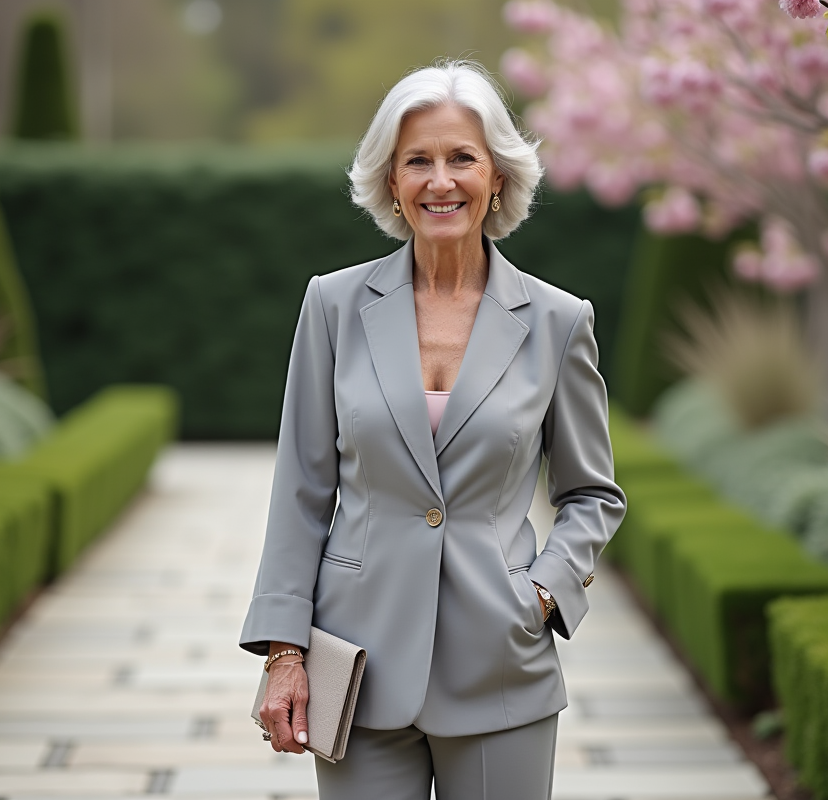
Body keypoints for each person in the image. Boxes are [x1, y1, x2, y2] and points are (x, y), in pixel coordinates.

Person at [239, 59, 626, 800]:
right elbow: (300, 492)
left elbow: (592, 494)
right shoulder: (332, 305)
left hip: (501, 668)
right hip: (356, 670)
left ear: (499, 178)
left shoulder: (558, 320)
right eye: (417, 160)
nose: (439, 180)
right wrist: (283, 654)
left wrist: (540, 595)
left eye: (461, 159)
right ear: (390, 181)